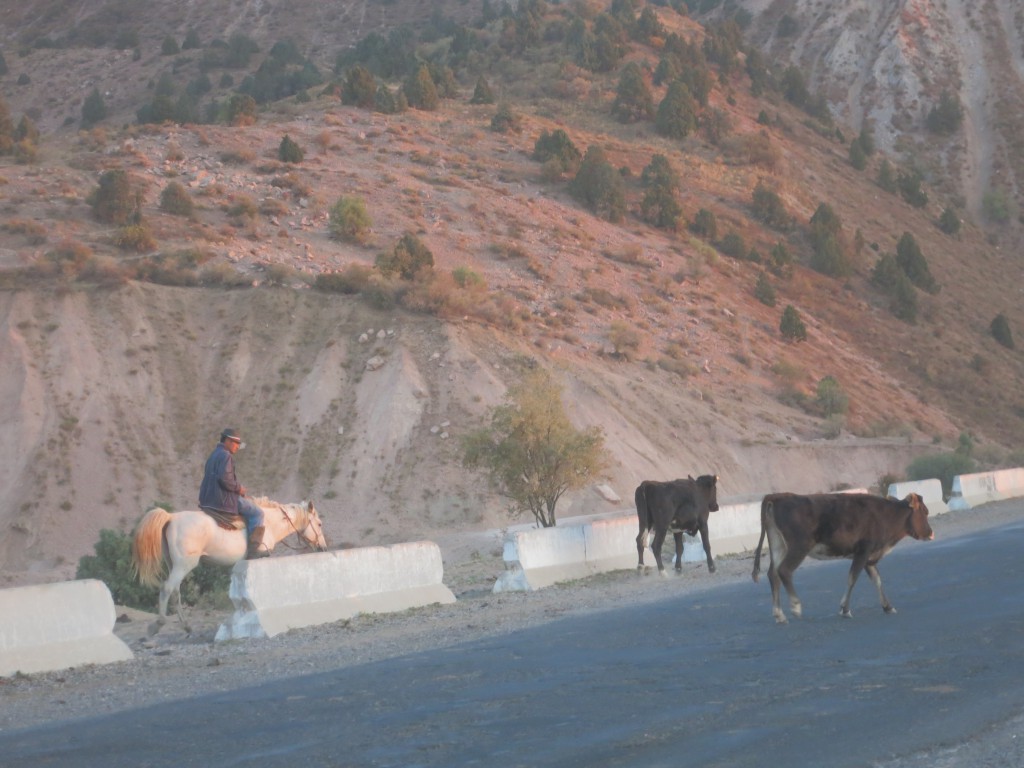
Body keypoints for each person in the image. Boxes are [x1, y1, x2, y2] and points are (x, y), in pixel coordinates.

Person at [199, 428, 268, 559]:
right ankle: (253, 551)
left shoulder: (213, 455)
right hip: (222, 500)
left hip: (208, 500)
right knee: (258, 513)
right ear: (228, 441)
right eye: (236, 443)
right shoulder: (226, 456)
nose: (237, 447)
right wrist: (240, 489)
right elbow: (226, 480)